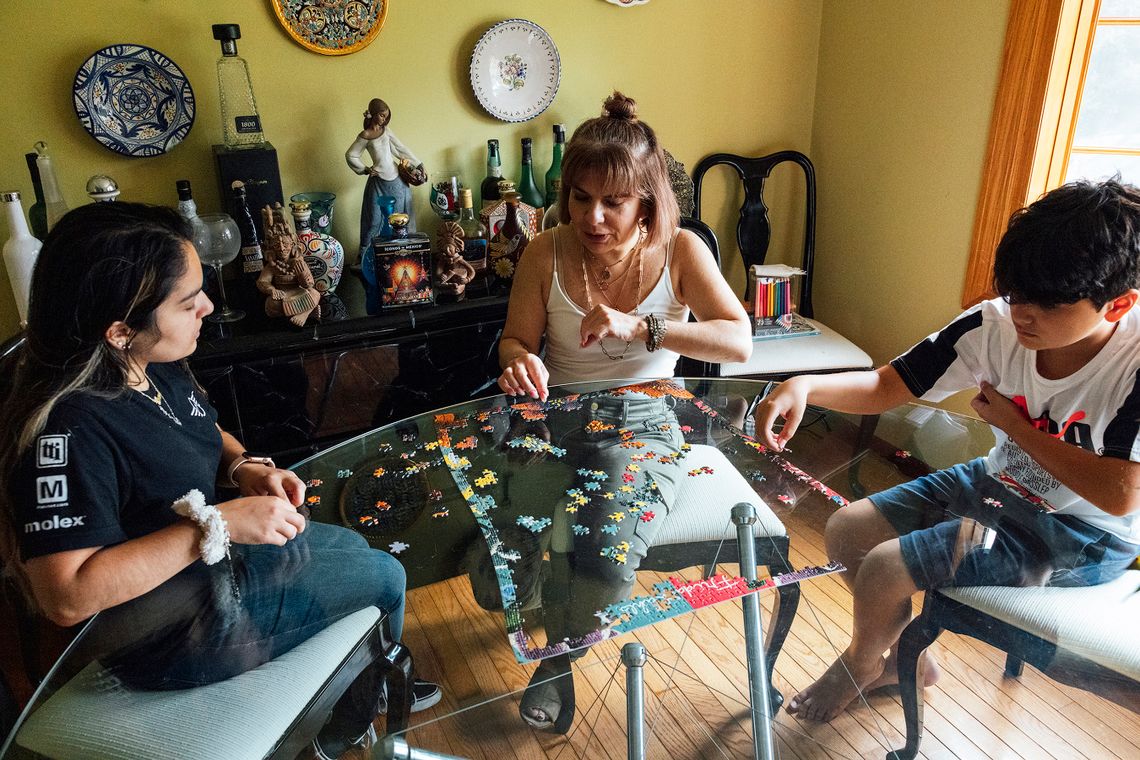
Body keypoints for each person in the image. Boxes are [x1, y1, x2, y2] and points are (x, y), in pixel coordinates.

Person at [0, 203, 440, 759]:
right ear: (118, 330)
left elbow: (203, 430)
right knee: (384, 576)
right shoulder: (67, 430)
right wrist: (218, 524)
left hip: (213, 575)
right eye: (188, 302)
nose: (207, 305)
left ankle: (360, 682)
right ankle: (346, 725)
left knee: (354, 547)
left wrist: (243, 468)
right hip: (171, 634)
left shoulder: (150, 360)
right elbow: (65, 596)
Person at [753, 179, 1140, 722]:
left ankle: (862, 664)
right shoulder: (995, 323)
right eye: (1016, 293)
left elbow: (1120, 495)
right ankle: (906, 662)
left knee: (888, 568)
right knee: (846, 531)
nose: (1023, 315)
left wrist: (1016, 426)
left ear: (1119, 303)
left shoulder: (1133, 363)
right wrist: (805, 384)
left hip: (1081, 533)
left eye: (1047, 305)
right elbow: (890, 385)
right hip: (998, 483)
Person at [495, 91, 751, 731]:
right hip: (548, 416)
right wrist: (518, 361)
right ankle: (545, 612)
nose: (595, 216)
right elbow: (515, 341)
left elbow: (738, 339)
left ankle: (557, 661)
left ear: (647, 201)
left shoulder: (683, 250)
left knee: (603, 550)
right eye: (581, 198)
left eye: (614, 201)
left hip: (643, 417)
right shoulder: (542, 252)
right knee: (490, 553)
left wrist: (646, 328)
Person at [345, 98, 426, 260]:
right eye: (381, 115)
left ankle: (407, 254)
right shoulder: (365, 135)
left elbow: (400, 148)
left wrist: (418, 164)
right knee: (374, 220)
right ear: (373, 115)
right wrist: (365, 169)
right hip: (378, 182)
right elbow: (351, 155)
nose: (384, 119)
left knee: (404, 214)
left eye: (386, 116)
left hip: (397, 179)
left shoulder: (386, 131)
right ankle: (364, 259)